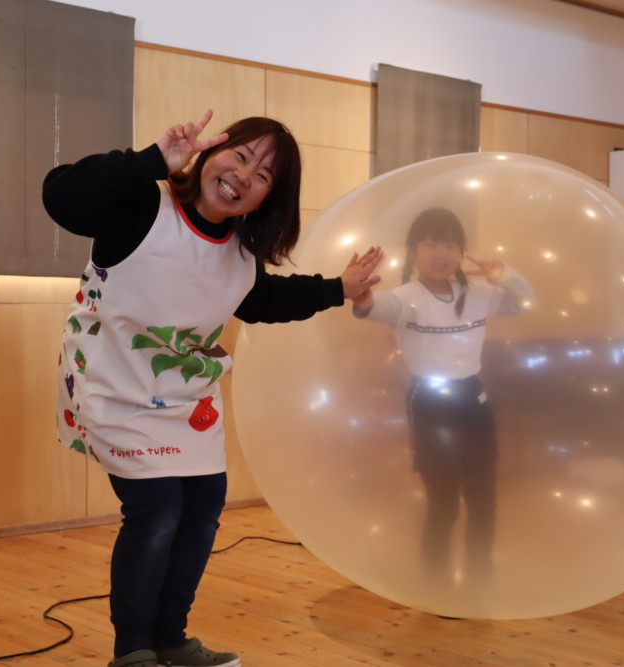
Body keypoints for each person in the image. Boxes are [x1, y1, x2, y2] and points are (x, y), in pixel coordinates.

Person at [42, 110, 382, 667]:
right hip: (112, 386)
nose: (244, 175)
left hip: (184, 398)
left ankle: (170, 638)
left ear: (268, 198)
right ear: (209, 153)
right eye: (241, 156)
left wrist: (338, 288)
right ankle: (133, 650)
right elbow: (61, 196)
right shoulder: (143, 205)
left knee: (202, 509)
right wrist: (150, 160)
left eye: (264, 175)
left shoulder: (239, 254)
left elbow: (267, 300)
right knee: (156, 511)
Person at [351, 208, 533, 585]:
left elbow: (523, 301)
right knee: (444, 501)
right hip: (430, 402)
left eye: (450, 246)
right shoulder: (407, 298)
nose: (441, 254)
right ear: (413, 251)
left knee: (483, 498)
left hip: (474, 399)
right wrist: (363, 298)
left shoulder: (479, 293)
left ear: (461, 253)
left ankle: (479, 576)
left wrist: (504, 274)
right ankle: (435, 583)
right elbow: (378, 307)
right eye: (431, 244)